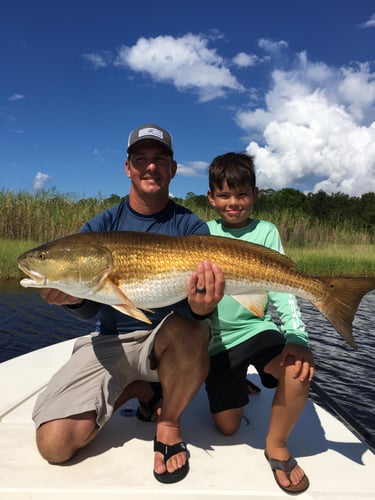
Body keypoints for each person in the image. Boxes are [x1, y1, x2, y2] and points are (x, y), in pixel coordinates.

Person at [33, 123, 225, 484]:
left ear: (173, 168)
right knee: (54, 446)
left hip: (166, 343)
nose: (149, 167)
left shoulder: (191, 227)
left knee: (192, 328)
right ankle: (140, 389)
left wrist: (203, 306)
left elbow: (195, 313)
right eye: (140, 160)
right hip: (110, 341)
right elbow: (92, 308)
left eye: (159, 160)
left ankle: (168, 423)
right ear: (127, 168)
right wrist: (74, 300)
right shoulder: (101, 227)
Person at [205, 152, 315, 494]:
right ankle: (242, 380)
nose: (233, 203)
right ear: (211, 199)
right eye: (224, 195)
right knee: (228, 428)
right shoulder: (202, 232)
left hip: (257, 329)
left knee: (298, 369)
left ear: (255, 194)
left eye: (241, 194)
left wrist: (297, 335)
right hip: (216, 340)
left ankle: (277, 445)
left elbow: (282, 288)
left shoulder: (266, 231)